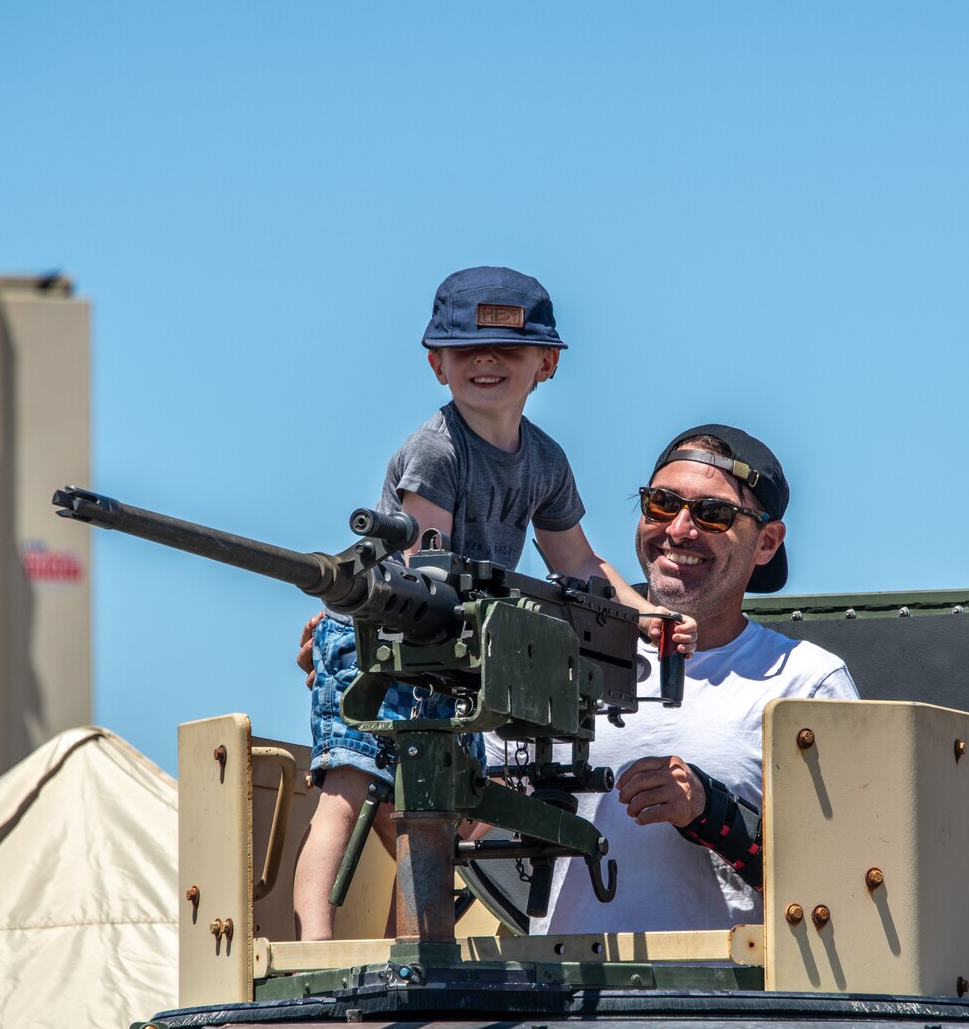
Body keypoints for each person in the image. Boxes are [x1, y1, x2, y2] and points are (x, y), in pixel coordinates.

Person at [292, 267, 694, 941]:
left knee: (436, 810)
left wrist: (641, 614)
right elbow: (429, 570)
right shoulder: (437, 450)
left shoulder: (544, 461)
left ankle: (420, 950)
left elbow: (579, 561)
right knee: (349, 788)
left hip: (453, 648)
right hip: (379, 637)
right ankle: (313, 944)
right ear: (435, 365)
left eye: (506, 350)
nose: (485, 361)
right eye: (464, 349)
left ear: (547, 364)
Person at [521, 424, 856, 933]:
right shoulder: (557, 656)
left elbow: (848, 883)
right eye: (661, 503)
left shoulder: (805, 682)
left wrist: (711, 812)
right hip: (562, 1001)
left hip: (724, 1006)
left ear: (767, 542)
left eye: (713, 513)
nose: (678, 530)